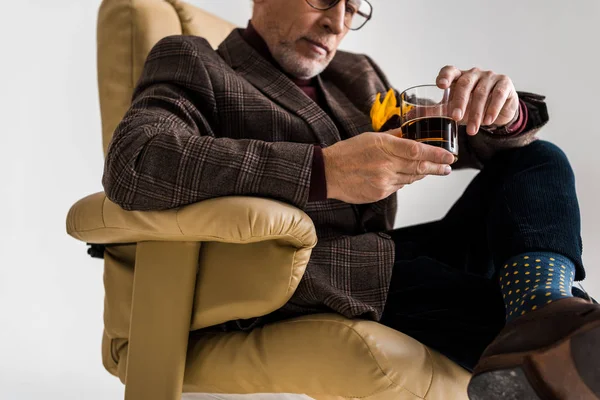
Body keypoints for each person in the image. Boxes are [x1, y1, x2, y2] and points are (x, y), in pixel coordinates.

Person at [101, 0, 599, 398]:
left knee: (535, 158)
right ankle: (551, 328)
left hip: (385, 260)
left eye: (353, 7)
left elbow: (462, 141)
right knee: (544, 336)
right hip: (293, 274)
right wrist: (324, 172)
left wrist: (499, 114)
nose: (337, 23)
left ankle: (544, 305)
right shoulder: (195, 61)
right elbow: (137, 159)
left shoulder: (355, 74)